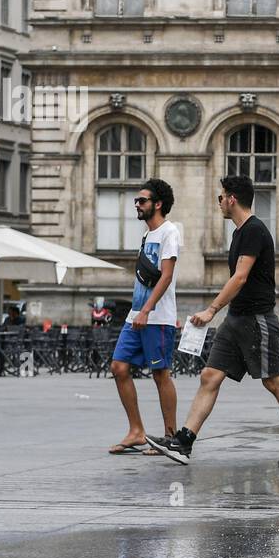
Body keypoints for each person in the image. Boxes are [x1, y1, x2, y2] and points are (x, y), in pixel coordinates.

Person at [149, 174, 279, 467]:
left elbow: (240, 277)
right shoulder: (239, 233)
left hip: (257, 319)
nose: (219, 203)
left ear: (232, 199)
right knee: (210, 376)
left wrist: (211, 310)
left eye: (221, 197)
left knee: (273, 381)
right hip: (236, 318)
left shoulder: (254, 230)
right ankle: (184, 442)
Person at [108, 178, 181, 455]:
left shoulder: (169, 232)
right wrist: (138, 311)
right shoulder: (147, 235)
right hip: (135, 316)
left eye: (142, 200)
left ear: (158, 204)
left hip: (158, 317)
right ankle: (136, 431)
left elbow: (167, 276)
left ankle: (169, 437)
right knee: (119, 367)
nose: (137, 205)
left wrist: (148, 309)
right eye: (136, 201)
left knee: (160, 374)